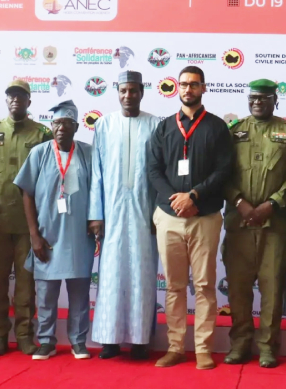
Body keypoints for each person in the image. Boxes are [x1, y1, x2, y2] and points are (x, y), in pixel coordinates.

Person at [147, 66, 233, 370]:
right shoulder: (164, 128)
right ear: (177, 88)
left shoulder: (217, 127)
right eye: (183, 84)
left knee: (206, 285)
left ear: (203, 88)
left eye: (194, 84)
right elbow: (153, 169)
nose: (188, 89)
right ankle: (174, 347)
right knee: (173, 285)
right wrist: (176, 199)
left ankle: (203, 349)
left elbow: (224, 170)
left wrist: (194, 196)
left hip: (204, 215)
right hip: (169, 216)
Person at [223, 79, 286, 368]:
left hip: (274, 223)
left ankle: (269, 347)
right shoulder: (234, 131)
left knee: (272, 288)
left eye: (264, 98)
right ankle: (240, 343)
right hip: (239, 222)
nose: (257, 102)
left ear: (275, 100)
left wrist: (272, 203)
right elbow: (221, 172)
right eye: (253, 98)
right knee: (238, 287)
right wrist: (238, 202)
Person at [14, 100, 95, 361]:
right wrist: (33, 235)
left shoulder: (87, 153)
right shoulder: (39, 153)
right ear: (51, 126)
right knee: (46, 293)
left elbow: (98, 191)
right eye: (57, 123)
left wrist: (96, 222)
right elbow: (26, 193)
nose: (61, 128)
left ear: (76, 126)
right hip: (47, 235)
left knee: (80, 294)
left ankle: (79, 341)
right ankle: (47, 341)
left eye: (67, 123)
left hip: (79, 236)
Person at [90, 71, 161, 360]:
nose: (128, 96)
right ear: (117, 93)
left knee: (143, 274)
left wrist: (159, 213)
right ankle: (109, 340)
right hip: (112, 211)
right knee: (111, 273)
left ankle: (141, 340)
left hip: (145, 211)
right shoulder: (104, 124)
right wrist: (96, 214)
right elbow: (96, 172)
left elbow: (160, 173)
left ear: (142, 92)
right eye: (123, 90)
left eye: (133, 90)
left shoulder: (155, 125)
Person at [0, 79, 53, 355]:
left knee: (25, 284)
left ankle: (24, 335)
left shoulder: (41, 133)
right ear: (6, 100)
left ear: (29, 102)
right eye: (11, 96)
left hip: (27, 223)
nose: (15, 101)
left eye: (21, 97)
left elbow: (48, 178)